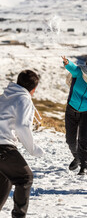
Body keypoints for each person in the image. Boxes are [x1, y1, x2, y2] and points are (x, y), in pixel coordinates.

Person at [0, 70, 44, 218]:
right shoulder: (24, 99)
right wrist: (33, 149)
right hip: (3, 147)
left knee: (5, 181)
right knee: (25, 178)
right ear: (33, 90)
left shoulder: (3, 97)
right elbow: (22, 126)